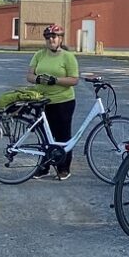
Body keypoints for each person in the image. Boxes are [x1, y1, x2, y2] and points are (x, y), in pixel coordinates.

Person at [26, 24, 80, 180]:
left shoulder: (68, 57)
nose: (51, 40)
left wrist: (55, 80)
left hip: (63, 101)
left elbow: (74, 79)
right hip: (42, 101)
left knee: (62, 135)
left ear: (60, 39)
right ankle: (44, 167)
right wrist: (37, 78)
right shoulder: (39, 55)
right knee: (43, 136)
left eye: (54, 37)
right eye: (48, 37)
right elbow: (29, 75)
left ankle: (64, 168)